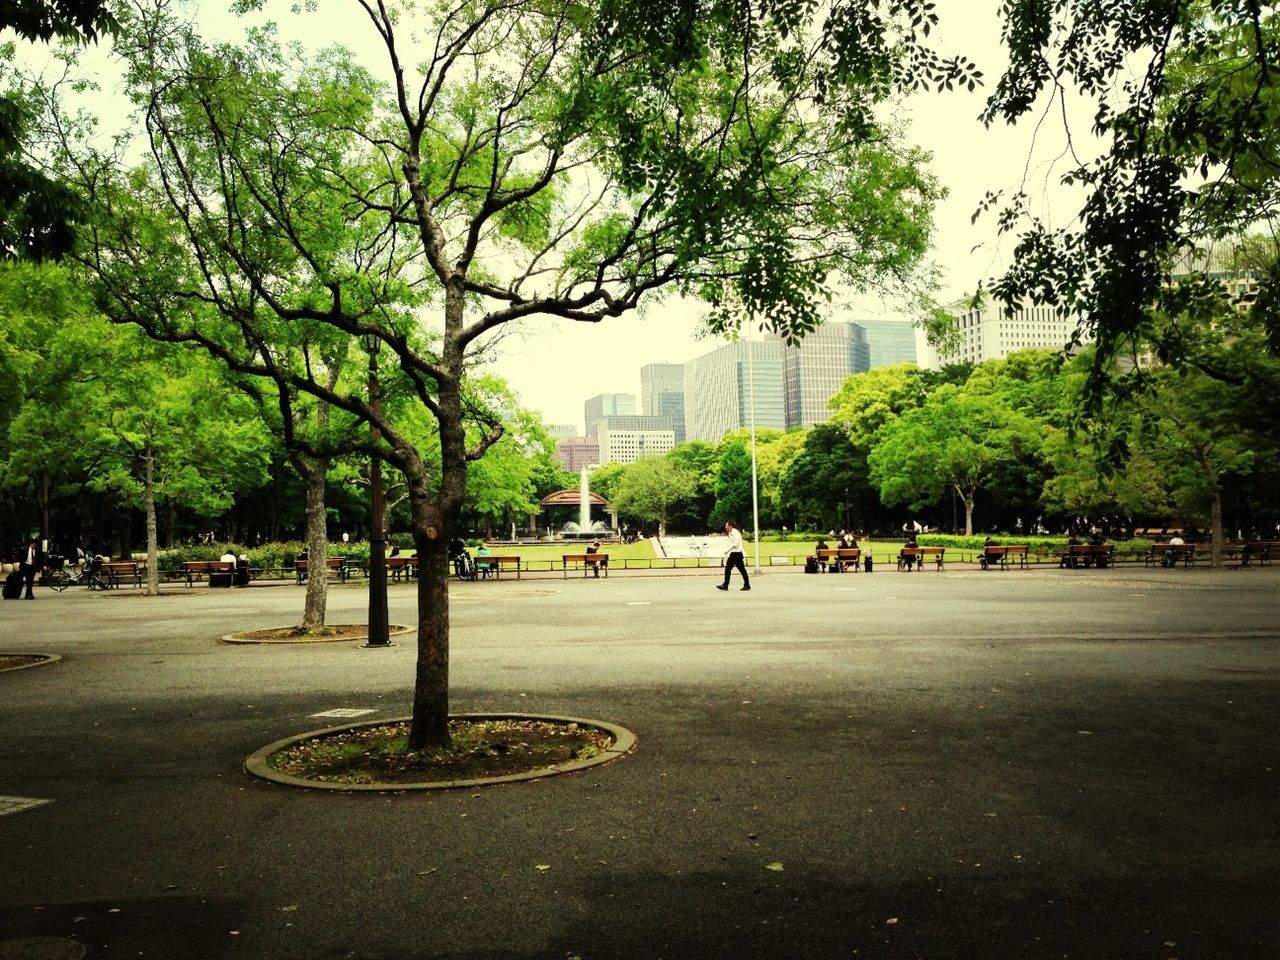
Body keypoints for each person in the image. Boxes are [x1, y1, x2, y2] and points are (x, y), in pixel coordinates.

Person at [716, 521, 750, 591]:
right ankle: (726, 585)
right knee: (729, 569)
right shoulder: (730, 533)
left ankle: (746, 585)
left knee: (741, 570)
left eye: (726, 526)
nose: (725, 527)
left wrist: (727, 551)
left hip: (737, 554)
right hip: (733, 554)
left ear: (730, 526)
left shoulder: (735, 533)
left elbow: (735, 544)